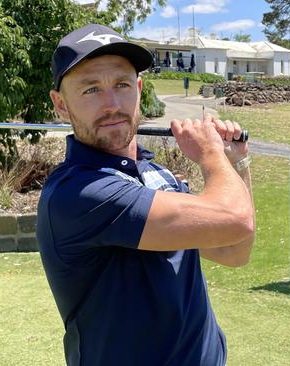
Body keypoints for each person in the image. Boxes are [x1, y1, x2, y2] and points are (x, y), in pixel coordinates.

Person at [38, 24, 255, 366]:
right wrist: (212, 154)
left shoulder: (157, 174)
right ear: (61, 105)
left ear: (139, 89)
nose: (112, 104)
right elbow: (237, 219)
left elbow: (233, 249)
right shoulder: (78, 193)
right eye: (91, 89)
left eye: (122, 85)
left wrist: (236, 162)